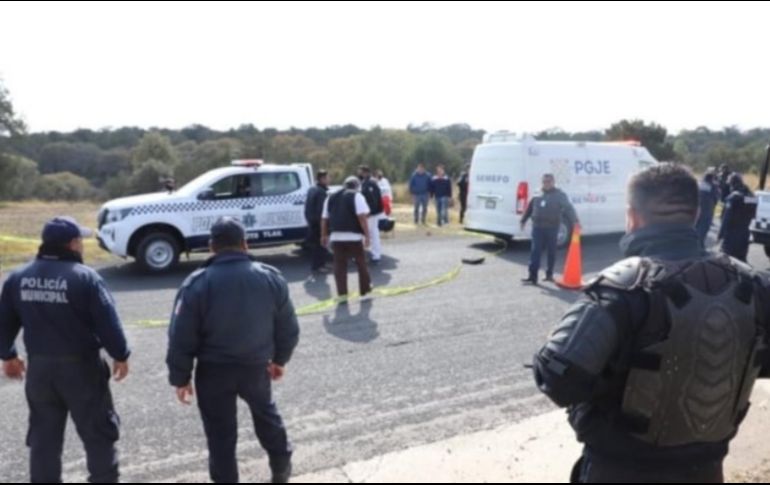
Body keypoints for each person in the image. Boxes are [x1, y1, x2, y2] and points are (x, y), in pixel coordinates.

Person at [533, 164, 770, 483]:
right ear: (697, 212)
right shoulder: (753, 284)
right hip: (707, 469)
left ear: (631, 216)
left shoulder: (620, 288)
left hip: (620, 469)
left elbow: (559, 379)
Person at [166, 218, 299, 484]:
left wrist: (180, 378)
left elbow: (181, 337)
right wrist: (280, 360)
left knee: (220, 434)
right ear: (245, 243)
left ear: (211, 247)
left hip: (213, 372)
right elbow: (288, 328)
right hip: (256, 367)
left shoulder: (197, 283)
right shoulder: (271, 278)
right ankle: (281, 467)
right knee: (266, 416)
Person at [0, 217, 131, 483]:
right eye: (80, 241)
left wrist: (9, 355)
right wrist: (121, 354)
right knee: (98, 436)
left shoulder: (18, 278)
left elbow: (3, 326)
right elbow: (109, 325)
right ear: (72, 244)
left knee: (44, 441)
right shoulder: (85, 278)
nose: (82, 245)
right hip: (81, 370)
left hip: (40, 373)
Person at [520, 174, 579, 284]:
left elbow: (569, 208)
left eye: (549, 181)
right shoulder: (537, 193)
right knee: (535, 251)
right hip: (537, 227)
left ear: (553, 182)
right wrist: (523, 220)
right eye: (544, 181)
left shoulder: (560, 195)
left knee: (551, 252)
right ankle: (532, 276)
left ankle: (549, 274)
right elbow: (530, 207)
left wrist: (575, 221)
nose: (546, 184)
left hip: (552, 227)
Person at [321, 176, 372, 298]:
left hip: (336, 236)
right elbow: (362, 217)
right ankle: (365, 290)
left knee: (339, 266)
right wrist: (367, 236)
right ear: (357, 186)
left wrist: (323, 235)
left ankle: (342, 294)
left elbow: (324, 218)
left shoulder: (330, 197)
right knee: (361, 263)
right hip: (353, 237)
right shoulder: (357, 196)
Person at [719, 173, 756, 262]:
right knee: (741, 261)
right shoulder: (751, 196)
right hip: (744, 234)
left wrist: (720, 234)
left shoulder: (733, 197)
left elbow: (726, 218)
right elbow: (754, 213)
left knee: (726, 261)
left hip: (732, 235)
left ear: (733, 183)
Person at [305, 170, 331, 272]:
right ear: (322, 179)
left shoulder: (312, 189)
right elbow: (322, 210)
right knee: (320, 245)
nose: (329, 179)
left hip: (312, 222)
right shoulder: (321, 192)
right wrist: (324, 224)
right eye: (328, 177)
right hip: (318, 222)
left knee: (318, 245)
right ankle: (318, 266)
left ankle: (321, 264)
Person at [359, 166, 385, 264]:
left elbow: (373, 200)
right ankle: (375, 255)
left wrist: (369, 213)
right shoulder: (367, 182)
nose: (359, 172)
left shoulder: (369, 183)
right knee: (373, 233)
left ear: (365, 172)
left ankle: (375, 255)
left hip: (371, 213)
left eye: (361, 171)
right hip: (371, 213)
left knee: (372, 233)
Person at [695, 169, 720, 246]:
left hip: (696, 208)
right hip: (708, 209)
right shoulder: (714, 186)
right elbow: (717, 198)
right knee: (703, 228)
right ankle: (699, 246)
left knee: (695, 226)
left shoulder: (698, 184)